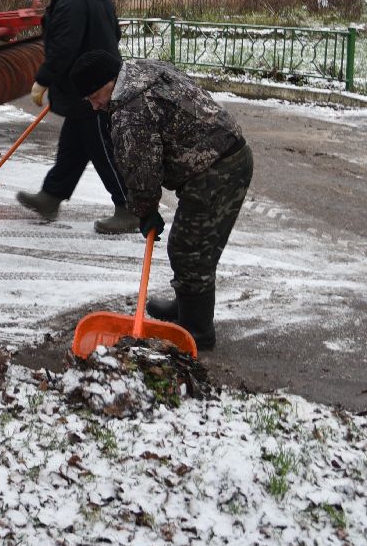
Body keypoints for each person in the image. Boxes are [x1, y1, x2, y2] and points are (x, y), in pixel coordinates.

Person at [68, 48, 253, 351]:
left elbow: (141, 172)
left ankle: (197, 330)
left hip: (218, 169)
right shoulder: (143, 70)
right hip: (225, 153)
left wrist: (145, 211)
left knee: (190, 250)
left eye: (94, 96)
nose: (94, 106)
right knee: (186, 243)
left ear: (108, 81)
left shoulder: (129, 111)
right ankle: (186, 307)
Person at [14, 0, 133, 234]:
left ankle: (130, 208)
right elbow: (114, 33)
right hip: (96, 82)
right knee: (73, 145)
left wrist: (43, 79)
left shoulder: (70, 1)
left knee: (103, 149)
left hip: (91, 90)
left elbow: (63, 47)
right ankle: (52, 196)